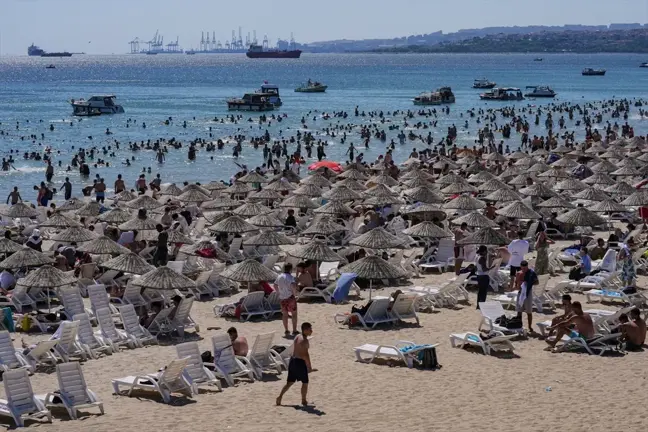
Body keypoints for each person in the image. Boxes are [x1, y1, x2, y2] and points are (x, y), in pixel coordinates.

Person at [276, 322, 314, 407]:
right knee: (305, 382)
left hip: (292, 361)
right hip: (299, 362)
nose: (311, 331)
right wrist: (309, 366)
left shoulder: (297, 336)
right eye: (310, 329)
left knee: (289, 382)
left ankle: (280, 397)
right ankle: (304, 400)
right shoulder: (304, 341)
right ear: (305, 330)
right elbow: (305, 355)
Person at [274, 263, 299, 337]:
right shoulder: (290, 277)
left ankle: (286, 330)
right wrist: (295, 294)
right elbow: (293, 286)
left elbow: (275, 285)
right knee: (294, 314)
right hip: (290, 297)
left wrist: (279, 293)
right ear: (290, 269)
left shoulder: (279, 276)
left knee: (284, 315)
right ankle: (294, 330)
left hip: (282, 298)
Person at [513, 260, 538, 331]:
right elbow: (516, 283)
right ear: (521, 267)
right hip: (520, 293)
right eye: (522, 268)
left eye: (525, 268)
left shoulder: (531, 273)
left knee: (529, 311)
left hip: (528, 293)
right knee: (519, 310)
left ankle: (530, 326)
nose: (524, 270)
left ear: (527, 267)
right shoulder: (518, 273)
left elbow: (537, 282)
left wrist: (529, 283)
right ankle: (519, 325)